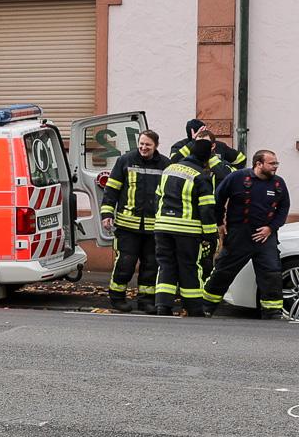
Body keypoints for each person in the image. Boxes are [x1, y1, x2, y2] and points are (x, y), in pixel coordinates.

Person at [204, 149, 290, 319]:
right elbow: (218, 199)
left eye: (276, 163)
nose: (275, 166)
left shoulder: (278, 184)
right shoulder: (237, 178)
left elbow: (283, 209)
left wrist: (270, 228)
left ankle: (272, 313)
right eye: (272, 163)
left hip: (265, 237)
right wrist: (220, 223)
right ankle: (206, 307)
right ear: (258, 164)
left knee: (271, 274)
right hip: (239, 235)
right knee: (223, 271)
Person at [170, 119, 247, 292]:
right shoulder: (181, 146)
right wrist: (193, 144)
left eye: (207, 145)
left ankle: (203, 290)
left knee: (208, 255)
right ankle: (180, 290)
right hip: (187, 214)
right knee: (183, 256)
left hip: (212, 213)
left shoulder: (219, 151)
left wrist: (214, 160)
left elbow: (238, 165)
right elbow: (173, 162)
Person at [100, 128, 168, 311]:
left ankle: (146, 301)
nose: (143, 148)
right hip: (127, 226)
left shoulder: (164, 164)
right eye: (141, 144)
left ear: (156, 146)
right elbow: (111, 189)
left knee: (151, 264)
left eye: (148, 145)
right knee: (125, 263)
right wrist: (106, 214)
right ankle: (117, 298)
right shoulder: (125, 161)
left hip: (153, 228)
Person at [153, 137, 219, 316]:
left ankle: (162, 305)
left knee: (166, 265)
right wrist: (211, 235)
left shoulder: (169, 169)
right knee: (189, 266)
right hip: (187, 230)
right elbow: (206, 209)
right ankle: (194, 308)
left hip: (162, 227)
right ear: (206, 157)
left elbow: (158, 198)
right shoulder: (201, 176)